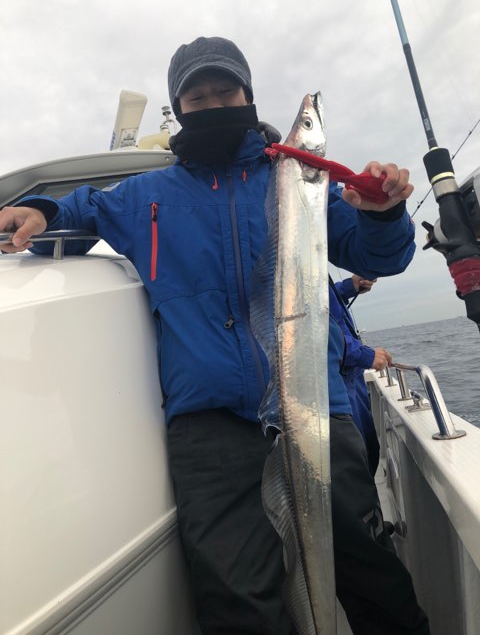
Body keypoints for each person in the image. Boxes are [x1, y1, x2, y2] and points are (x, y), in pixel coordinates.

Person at [0, 36, 429, 635]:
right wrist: (42, 209)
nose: (213, 104)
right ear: (180, 107)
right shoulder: (147, 196)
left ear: (248, 96)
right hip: (208, 428)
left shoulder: (299, 180)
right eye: (197, 97)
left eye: (225, 91)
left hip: (314, 410)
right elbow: (85, 207)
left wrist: (382, 213)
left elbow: (377, 254)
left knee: (372, 574)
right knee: (236, 600)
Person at [330, 274, 392, 475]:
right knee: (354, 464)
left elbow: (321, 298)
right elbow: (308, 325)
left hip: (351, 379)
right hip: (335, 387)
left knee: (369, 451)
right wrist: (362, 354)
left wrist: (349, 286)